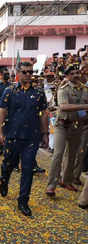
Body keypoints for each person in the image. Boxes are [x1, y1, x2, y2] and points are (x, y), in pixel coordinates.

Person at [0, 62, 49, 217]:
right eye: (25, 72)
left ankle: (23, 201)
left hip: (31, 137)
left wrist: (45, 134)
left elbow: (43, 114)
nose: (28, 75)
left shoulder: (39, 92)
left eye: (30, 72)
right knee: (9, 164)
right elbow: (2, 112)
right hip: (12, 135)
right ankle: (4, 179)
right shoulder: (9, 91)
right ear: (18, 72)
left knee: (27, 169)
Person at [46, 66, 88, 196]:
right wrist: (85, 106)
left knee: (72, 155)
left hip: (77, 126)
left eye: (77, 72)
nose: (76, 75)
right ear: (67, 75)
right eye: (73, 73)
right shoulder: (63, 88)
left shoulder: (85, 89)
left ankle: (66, 180)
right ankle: (51, 185)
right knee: (58, 154)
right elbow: (64, 107)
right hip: (62, 125)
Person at [0, 68, 11, 156]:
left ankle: (6, 146)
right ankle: (0, 145)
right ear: (0, 74)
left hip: (9, 111)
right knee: (0, 128)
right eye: (5, 73)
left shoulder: (11, 85)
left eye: (8, 73)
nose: (7, 75)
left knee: (7, 130)